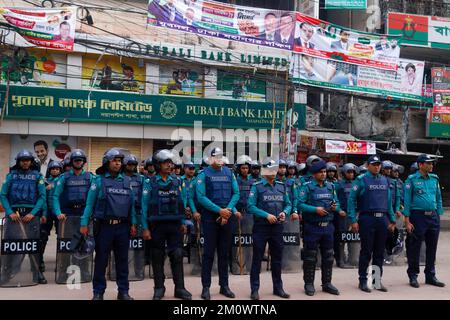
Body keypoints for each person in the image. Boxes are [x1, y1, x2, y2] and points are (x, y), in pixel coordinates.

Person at [80, 148, 137, 300]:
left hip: (122, 227)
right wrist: (84, 223)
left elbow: (131, 206)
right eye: (115, 161)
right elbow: (89, 204)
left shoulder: (126, 181)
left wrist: (133, 224)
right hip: (104, 227)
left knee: (122, 261)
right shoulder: (98, 181)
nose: (118, 163)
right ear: (107, 162)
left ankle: (123, 291)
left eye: (120, 161)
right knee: (101, 261)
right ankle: (98, 292)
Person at [141, 149, 192, 300]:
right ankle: (159, 288)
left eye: (170, 163)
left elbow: (182, 203)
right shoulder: (149, 183)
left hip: (175, 225)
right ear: (158, 165)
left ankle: (180, 288)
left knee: (177, 255)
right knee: (157, 256)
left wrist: (183, 221)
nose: (169, 165)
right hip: (156, 226)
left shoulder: (177, 181)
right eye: (165, 163)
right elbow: (144, 207)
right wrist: (145, 228)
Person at [248, 158, 296, 300]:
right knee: (257, 259)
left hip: (277, 228)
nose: (274, 172)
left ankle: (278, 288)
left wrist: (284, 213)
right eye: (270, 169)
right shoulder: (257, 187)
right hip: (261, 227)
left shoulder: (281, 186)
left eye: (275, 169)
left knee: (277, 259)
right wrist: (266, 215)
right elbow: (250, 206)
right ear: (264, 171)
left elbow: (288, 204)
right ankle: (255, 289)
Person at [196, 147, 240, 300]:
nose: (219, 159)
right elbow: (201, 197)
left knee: (224, 254)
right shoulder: (203, 174)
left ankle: (224, 286)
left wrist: (227, 211)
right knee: (208, 254)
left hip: (227, 218)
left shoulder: (229, 173)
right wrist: (219, 211)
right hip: (210, 219)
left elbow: (236, 193)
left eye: (221, 156)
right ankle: (206, 287)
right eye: (215, 156)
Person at [348, 155, 396, 293]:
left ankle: (376, 281)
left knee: (379, 252)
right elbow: (351, 200)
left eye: (378, 164)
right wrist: (353, 220)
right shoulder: (361, 180)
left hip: (382, 220)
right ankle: (363, 280)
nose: (377, 167)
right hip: (367, 219)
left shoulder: (384, 180)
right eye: (374, 164)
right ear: (368, 165)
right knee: (366, 251)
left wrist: (392, 219)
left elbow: (388, 202)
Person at [0, 150, 47, 284]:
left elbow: (42, 196)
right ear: (18, 161)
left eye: (28, 160)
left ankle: (37, 273)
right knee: (11, 246)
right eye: (23, 160)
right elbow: (2, 195)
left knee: (33, 246)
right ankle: (6, 273)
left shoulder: (38, 176)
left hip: (32, 217)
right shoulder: (11, 176)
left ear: (31, 161)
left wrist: (33, 213)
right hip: (14, 216)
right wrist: (10, 212)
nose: (25, 162)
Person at [298, 160, 342, 296]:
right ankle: (309, 284)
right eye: (321, 172)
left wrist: (336, 207)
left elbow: (337, 204)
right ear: (314, 174)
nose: (324, 174)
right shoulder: (307, 187)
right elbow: (300, 204)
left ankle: (327, 283)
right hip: (312, 227)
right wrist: (314, 209)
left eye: (325, 172)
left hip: (328, 226)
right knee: (310, 257)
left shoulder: (331, 187)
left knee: (328, 256)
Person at [403, 154, 445, 288]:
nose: (431, 165)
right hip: (417, 216)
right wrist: (407, 220)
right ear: (420, 165)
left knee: (432, 247)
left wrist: (439, 213)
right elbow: (407, 201)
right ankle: (413, 275)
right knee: (414, 247)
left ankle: (430, 275)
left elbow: (438, 197)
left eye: (431, 163)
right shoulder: (412, 179)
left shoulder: (434, 179)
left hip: (433, 217)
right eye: (428, 163)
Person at [39, 160, 63, 273]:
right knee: (42, 236)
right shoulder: (44, 181)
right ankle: (39, 261)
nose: (55, 170)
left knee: (61, 238)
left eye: (57, 169)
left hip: (59, 213)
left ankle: (61, 262)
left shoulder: (63, 180)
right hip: (47, 213)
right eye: (53, 169)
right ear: (49, 170)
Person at [334, 163, 356, 268]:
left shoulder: (356, 184)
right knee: (342, 239)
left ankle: (352, 259)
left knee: (353, 238)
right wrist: (339, 210)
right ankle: (340, 261)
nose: (351, 174)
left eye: (352, 172)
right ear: (344, 173)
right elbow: (334, 199)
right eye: (349, 172)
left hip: (353, 215)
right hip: (342, 215)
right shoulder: (338, 185)